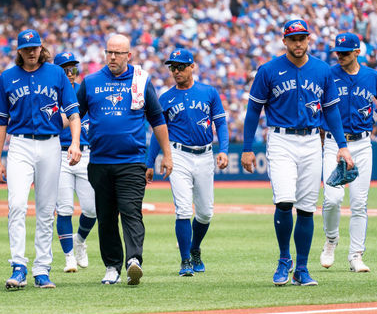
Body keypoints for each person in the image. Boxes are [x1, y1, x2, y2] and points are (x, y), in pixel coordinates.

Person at [241, 19, 354, 287]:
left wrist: (342, 145)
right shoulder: (268, 70)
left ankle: (301, 269)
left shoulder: (322, 70)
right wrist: (246, 148)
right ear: (285, 41)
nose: (298, 43)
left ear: (308, 39)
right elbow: (253, 111)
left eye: (302, 38)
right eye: (293, 39)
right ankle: (284, 260)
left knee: (305, 208)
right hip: (281, 140)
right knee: (284, 201)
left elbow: (332, 111)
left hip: (313, 140)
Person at [77, 34, 173, 286]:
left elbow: (157, 119)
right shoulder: (90, 82)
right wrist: (71, 140)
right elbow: (74, 115)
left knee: (131, 211)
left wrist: (167, 154)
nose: (112, 57)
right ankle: (111, 266)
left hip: (131, 160)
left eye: (118, 53)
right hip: (99, 161)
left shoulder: (141, 80)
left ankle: (133, 261)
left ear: (128, 56)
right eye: (109, 52)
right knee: (106, 216)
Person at [0, 29, 81, 290]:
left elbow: (73, 114)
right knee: (17, 204)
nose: (31, 51)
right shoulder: (7, 77)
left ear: (42, 48)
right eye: (26, 47)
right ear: (19, 51)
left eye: (35, 47)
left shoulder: (56, 74)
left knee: (45, 209)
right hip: (19, 144)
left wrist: (74, 143)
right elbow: (0, 122)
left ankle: (42, 269)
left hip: (51, 144)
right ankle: (18, 265)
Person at [146, 49, 229, 276]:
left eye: (181, 66)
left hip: (204, 154)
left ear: (192, 67)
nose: (176, 71)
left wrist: (224, 150)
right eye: (172, 67)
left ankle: (194, 249)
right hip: (178, 154)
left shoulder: (209, 92)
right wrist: (149, 162)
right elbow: (158, 133)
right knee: (183, 209)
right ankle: (184, 261)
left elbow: (221, 124)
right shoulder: (165, 97)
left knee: (205, 213)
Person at [320, 33, 377, 273]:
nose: (340, 56)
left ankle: (355, 256)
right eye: (337, 52)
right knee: (332, 199)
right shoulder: (329, 74)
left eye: (345, 52)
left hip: (362, 144)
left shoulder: (372, 76)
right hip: (334, 143)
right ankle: (331, 240)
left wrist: (373, 119)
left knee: (359, 203)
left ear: (357, 52)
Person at [54, 51, 97, 272]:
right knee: (64, 208)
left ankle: (80, 240)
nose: (70, 74)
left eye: (74, 69)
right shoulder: (51, 92)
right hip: (59, 154)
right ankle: (69, 256)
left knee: (91, 209)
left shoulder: (84, 90)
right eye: (66, 69)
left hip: (86, 153)